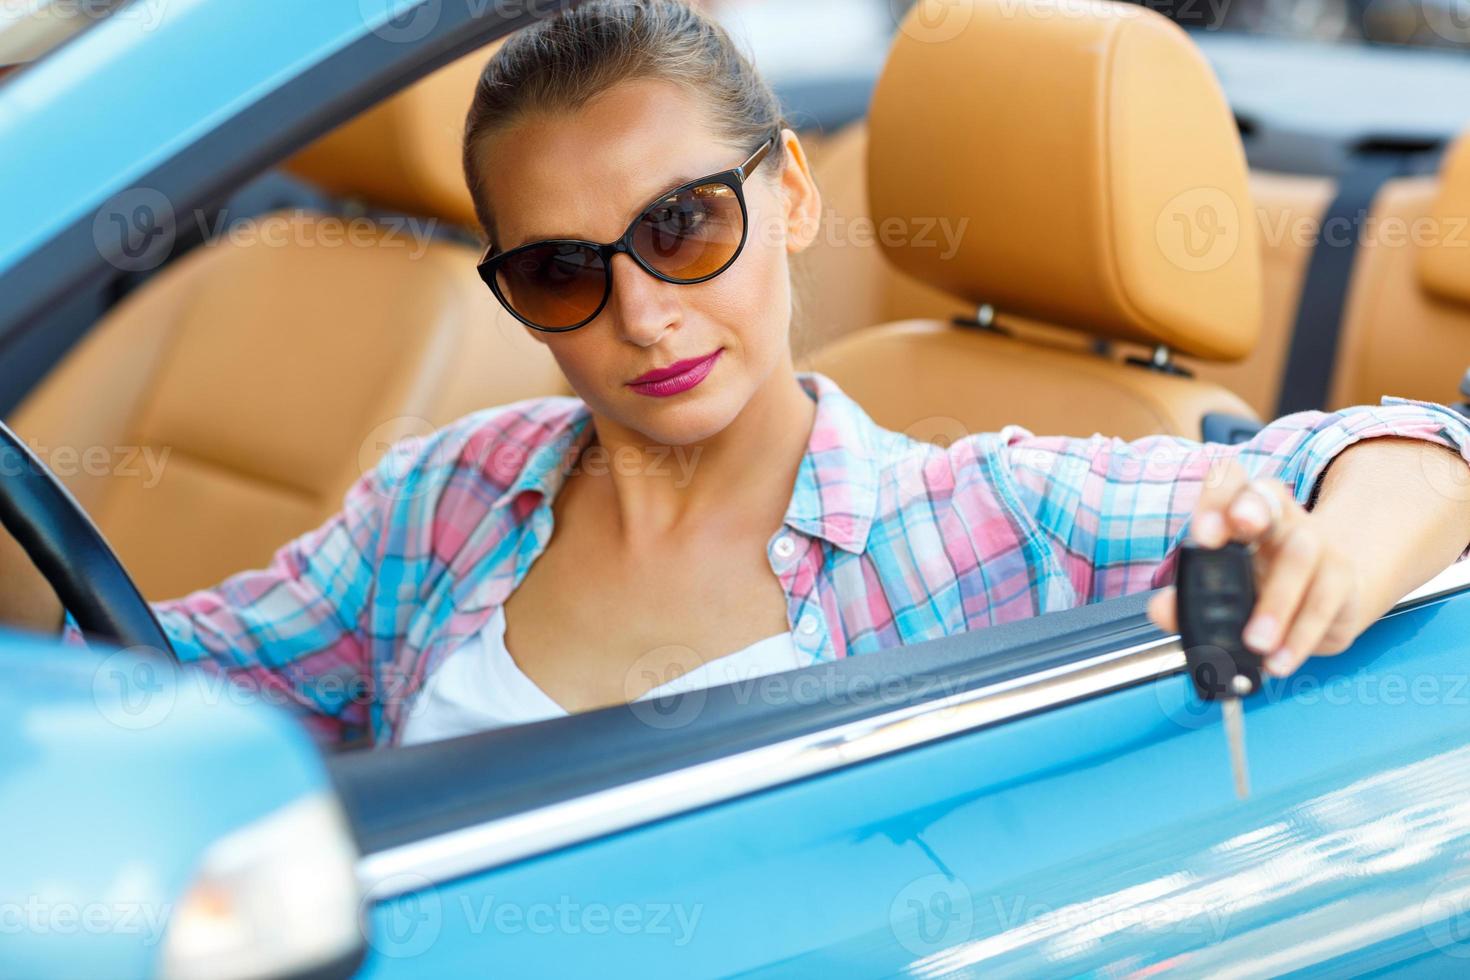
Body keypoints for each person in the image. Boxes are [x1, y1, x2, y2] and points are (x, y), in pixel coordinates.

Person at [12, 0, 1470, 748]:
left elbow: (1410, 450)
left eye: (683, 225)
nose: (640, 315)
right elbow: (156, 683)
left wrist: (1329, 558)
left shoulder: (971, 515)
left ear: (788, 194)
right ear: (513, 291)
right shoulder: (447, 500)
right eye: (564, 269)